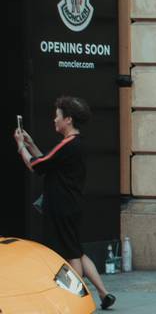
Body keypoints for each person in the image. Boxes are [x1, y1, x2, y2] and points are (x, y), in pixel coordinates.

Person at [13, 96, 116, 309]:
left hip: (61, 207)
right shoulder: (76, 144)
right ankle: (104, 293)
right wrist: (31, 143)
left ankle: (75, 299)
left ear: (68, 120)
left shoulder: (68, 145)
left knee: (71, 255)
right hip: (72, 204)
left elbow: (36, 165)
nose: (54, 120)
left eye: (57, 116)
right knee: (77, 250)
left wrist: (21, 146)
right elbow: (47, 162)